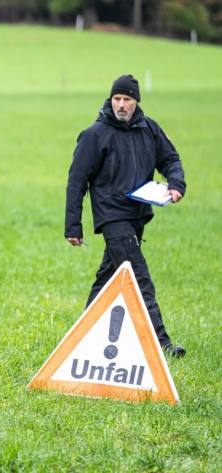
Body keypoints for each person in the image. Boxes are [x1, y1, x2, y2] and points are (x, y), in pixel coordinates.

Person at [65, 74, 187, 357]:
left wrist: (176, 184)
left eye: (127, 99)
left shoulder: (150, 129)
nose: (121, 104)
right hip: (112, 217)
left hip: (137, 215)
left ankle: (79, 338)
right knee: (139, 276)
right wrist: (73, 225)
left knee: (107, 277)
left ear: (136, 102)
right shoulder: (94, 135)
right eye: (117, 99)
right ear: (111, 100)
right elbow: (76, 182)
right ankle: (163, 344)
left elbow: (170, 159)